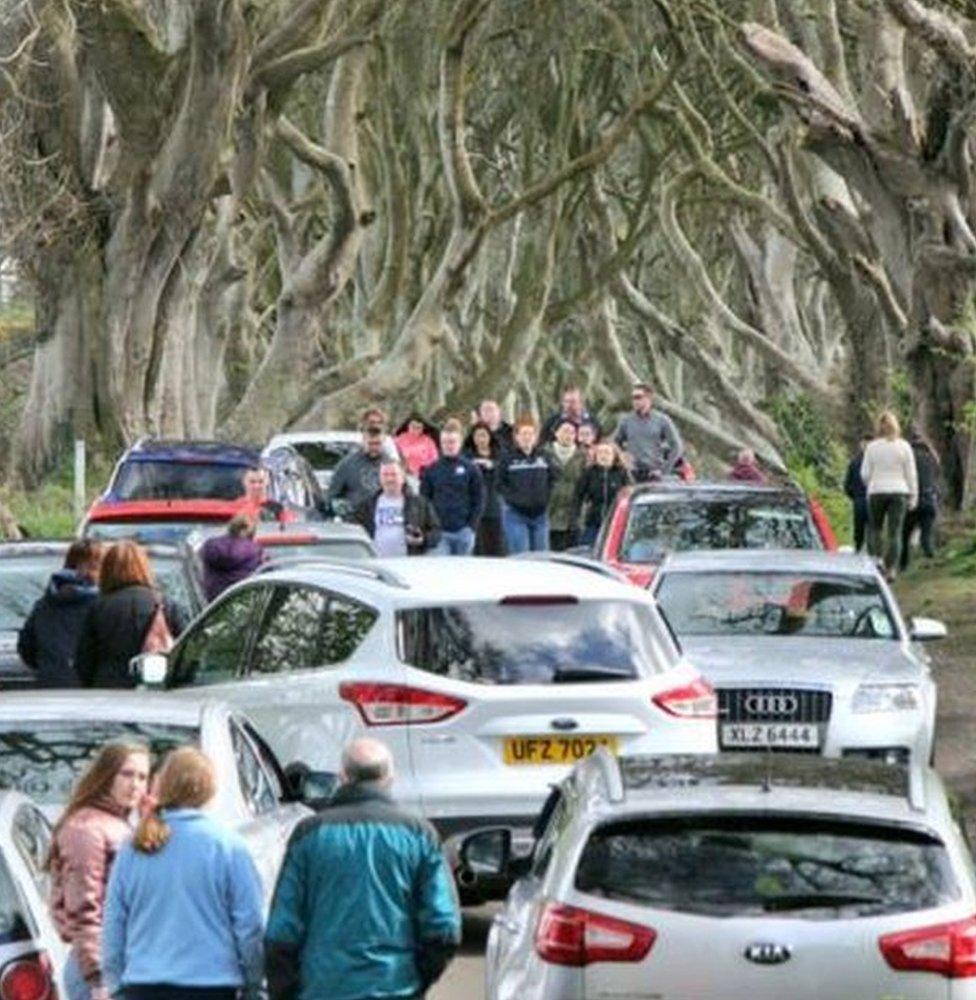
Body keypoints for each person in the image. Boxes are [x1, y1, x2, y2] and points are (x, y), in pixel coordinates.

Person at [265, 738, 461, 1000]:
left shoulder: (309, 834)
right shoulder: (419, 835)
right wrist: (416, 978)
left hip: (322, 989)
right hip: (395, 987)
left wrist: (287, 989)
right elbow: (443, 928)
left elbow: (282, 929)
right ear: (390, 777)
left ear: (343, 777)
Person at [103, 748, 264, 1000]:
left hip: (143, 985)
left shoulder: (134, 848)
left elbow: (114, 922)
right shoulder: (228, 847)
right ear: (210, 789)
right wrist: (254, 982)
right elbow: (249, 925)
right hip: (211, 986)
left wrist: (115, 983)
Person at [50, 742, 151, 1000]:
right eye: (126, 774)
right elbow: (84, 909)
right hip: (99, 968)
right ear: (107, 775)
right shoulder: (87, 828)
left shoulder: (120, 824)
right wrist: (97, 978)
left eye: (142, 777)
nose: (135, 784)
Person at [75, 542, 176, 688]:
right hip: (154, 686)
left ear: (107, 570)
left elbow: (84, 660)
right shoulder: (164, 604)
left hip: (108, 687)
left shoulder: (99, 607)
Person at [18, 539, 103, 687]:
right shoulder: (104, 605)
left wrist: (49, 666)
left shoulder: (44, 605)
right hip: (92, 688)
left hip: (51, 685)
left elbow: (27, 647)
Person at [861, 411, 917, 579]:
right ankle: (891, 568)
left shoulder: (872, 447)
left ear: (879, 427)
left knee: (875, 528)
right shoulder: (904, 446)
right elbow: (911, 474)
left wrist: (870, 485)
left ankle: (877, 561)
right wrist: (913, 496)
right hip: (899, 491)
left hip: (877, 490)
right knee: (895, 532)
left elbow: (864, 473)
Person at [421, 419, 485, 555]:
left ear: (460, 442)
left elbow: (479, 499)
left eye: (452, 442)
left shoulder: (471, 469)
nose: (448, 446)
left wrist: (471, 527)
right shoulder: (431, 470)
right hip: (440, 533)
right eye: (445, 442)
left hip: (464, 531)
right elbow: (424, 501)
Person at [354, 460, 441, 556]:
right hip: (377, 562)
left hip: (408, 563)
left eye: (393, 474)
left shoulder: (419, 504)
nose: (389, 479)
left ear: (403, 478)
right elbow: (355, 531)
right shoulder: (367, 505)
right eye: (385, 475)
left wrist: (423, 539)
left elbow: (436, 532)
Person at [497, 416, 557, 553]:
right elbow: (500, 484)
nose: (527, 437)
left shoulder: (544, 457)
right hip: (516, 514)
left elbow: (553, 479)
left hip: (540, 515)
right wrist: (514, 499)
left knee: (542, 557)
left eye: (530, 433)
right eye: (523, 434)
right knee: (522, 556)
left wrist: (546, 497)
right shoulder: (507, 459)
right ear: (516, 437)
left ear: (536, 437)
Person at [614, 382, 683, 480]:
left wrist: (664, 470)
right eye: (633, 398)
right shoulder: (626, 421)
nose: (635, 401)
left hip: (654, 473)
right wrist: (622, 458)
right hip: (631, 473)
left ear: (648, 398)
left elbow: (677, 446)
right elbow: (615, 443)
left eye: (638, 397)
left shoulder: (662, 420)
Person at [572, 441, 632, 547]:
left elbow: (629, 494)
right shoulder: (589, 473)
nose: (603, 456)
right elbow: (578, 496)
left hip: (615, 521)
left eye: (607, 453)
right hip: (593, 520)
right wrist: (576, 517)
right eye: (600, 453)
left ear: (614, 456)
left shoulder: (621, 473)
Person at [199, 513, 266, 602]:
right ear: (252, 533)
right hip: (243, 604)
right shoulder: (256, 551)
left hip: (212, 606)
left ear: (231, 527)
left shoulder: (211, 545)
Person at [901, 425, 941, 570]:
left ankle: (902, 565)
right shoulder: (932, 457)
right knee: (926, 536)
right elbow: (936, 476)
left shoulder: (908, 457)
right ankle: (931, 561)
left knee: (904, 536)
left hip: (912, 501)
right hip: (930, 499)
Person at [546, 420, 586, 551]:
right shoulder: (545, 454)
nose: (568, 435)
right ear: (556, 433)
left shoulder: (583, 456)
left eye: (572, 432)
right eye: (564, 431)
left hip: (573, 514)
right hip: (550, 511)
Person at [466, 421, 505, 555]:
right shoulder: (467, 456)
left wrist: (492, 466)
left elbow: (505, 473)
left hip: (495, 504)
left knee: (496, 544)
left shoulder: (499, 454)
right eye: (477, 436)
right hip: (475, 505)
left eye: (484, 435)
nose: (481, 439)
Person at [328, 425, 387, 513]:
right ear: (363, 441)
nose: (374, 448)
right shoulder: (347, 464)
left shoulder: (391, 464)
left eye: (377, 444)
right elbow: (332, 496)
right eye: (371, 444)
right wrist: (344, 508)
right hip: (355, 518)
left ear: (383, 442)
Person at [844, 436, 872, 553]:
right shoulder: (856, 462)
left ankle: (860, 550)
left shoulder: (855, 462)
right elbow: (847, 484)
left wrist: (853, 496)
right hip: (867, 499)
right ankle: (867, 551)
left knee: (861, 529)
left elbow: (847, 485)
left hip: (862, 499)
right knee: (868, 529)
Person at [393, 414, 440, 478]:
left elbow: (434, 460)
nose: (415, 430)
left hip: (423, 475)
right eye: (413, 426)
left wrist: (424, 470)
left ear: (422, 429)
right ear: (408, 426)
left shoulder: (428, 442)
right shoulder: (398, 440)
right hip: (402, 474)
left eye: (418, 428)